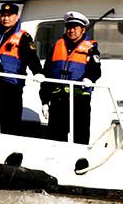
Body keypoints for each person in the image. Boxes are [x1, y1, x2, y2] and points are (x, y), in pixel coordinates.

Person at [42, 11, 101, 143]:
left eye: (75, 27)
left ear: (83, 29)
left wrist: (89, 78)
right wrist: (44, 101)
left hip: (80, 100)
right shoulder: (56, 46)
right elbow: (47, 74)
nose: (71, 30)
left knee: (80, 138)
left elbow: (96, 69)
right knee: (55, 139)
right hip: (58, 100)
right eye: (69, 27)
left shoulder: (91, 48)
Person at [0, 2, 41, 134]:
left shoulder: (24, 37)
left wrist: (38, 72)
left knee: (10, 120)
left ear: (16, 17)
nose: (6, 18)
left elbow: (32, 57)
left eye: (9, 15)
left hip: (12, 85)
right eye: (3, 15)